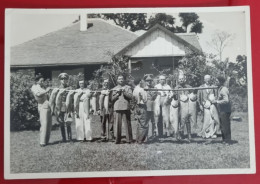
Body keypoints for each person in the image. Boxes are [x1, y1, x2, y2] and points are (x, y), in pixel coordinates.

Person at [31, 74, 52, 147]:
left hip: (48, 106)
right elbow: (38, 94)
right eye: (41, 81)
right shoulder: (34, 87)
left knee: (49, 125)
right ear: (37, 81)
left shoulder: (43, 87)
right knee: (44, 124)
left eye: (43, 80)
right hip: (42, 106)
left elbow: (47, 96)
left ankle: (46, 141)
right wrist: (46, 91)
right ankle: (42, 142)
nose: (43, 82)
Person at [111, 75, 133, 144]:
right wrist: (117, 94)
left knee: (127, 124)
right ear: (117, 80)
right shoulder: (114, 89)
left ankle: (129, 139)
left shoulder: (128, 87)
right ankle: (117, 140)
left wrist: (124, 92)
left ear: (124, 80)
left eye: (122, 79)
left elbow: (131, 97)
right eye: (119, 79)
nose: (121, 80)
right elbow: (112, 99)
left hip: (126, 107)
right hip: (117, 108)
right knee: (118, 124)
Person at [175, 74, 196, 142]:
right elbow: (174, 96)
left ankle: (189, 134)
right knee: (180, 120)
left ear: (185, 79)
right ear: (178, 80)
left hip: (187, 105)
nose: (181, 80)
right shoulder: (176, 88)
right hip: (179, 106)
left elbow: (193, 94)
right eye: (180, 79)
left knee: (187, 119)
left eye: (182, 79)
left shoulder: (188, 87)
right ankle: (180, 134)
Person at [212, 76, 232, 144]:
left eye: (217, 81)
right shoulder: (219, 89)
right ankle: (224, 139)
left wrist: (217, 102)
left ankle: (227, 141)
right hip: (221, 110)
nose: (215, 82)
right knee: (222, 125)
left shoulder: (224, 89)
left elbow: (226, 100)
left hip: (225, 110)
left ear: (221, 82)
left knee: (225, 125)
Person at [55, 73, 74, 142]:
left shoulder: (70, 88)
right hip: (60, 106)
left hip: (68, 106)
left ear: (67, 80)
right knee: (61, 122)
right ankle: (64, 138)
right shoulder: (57, 88)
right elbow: (56, 99)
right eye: (62, 79)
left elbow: (72, 99)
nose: (63, 80)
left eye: (65, 79)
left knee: (68, 122)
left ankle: (69, 137)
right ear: (60, 80)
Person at [133, 77, 148, 144]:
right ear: (140, 82)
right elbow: (145, 100)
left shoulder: (134, 90)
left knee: (139, 124)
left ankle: (137, 139)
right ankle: (140, 140)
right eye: (141, 81)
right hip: (142, 106)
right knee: (143, 124)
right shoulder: (141, 89)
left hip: (137, 107)